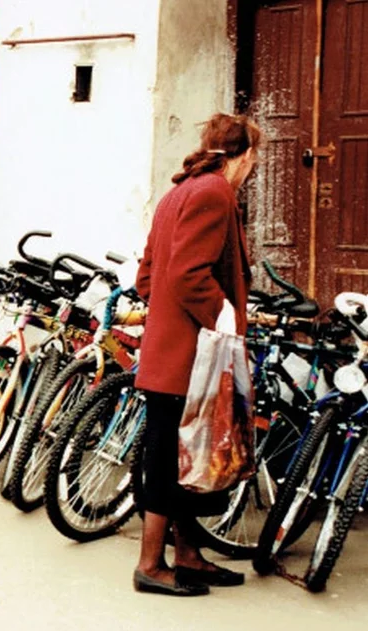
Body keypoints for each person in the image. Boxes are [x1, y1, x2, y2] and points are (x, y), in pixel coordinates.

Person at [133, 113, 261, 596]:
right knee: (171, 459)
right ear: (244, 156)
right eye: (253, 158)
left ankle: (187, 554)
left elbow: (149, 276)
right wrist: (223, 314)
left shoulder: (178, 191)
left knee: (185, 456)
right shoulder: (213, 192)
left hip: (169, 351)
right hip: (191, 358)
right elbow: (188, 274)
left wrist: (168, 318)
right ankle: (150, 564)